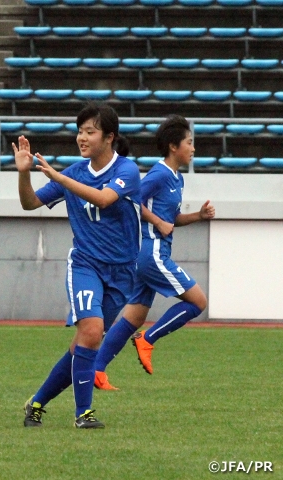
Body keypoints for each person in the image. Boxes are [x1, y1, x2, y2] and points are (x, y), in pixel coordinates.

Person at [15, 103, 141, 429]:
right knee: (91, 330)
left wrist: (58, 177)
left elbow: (103, 199)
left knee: (85, 343)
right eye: (80, 131)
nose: (82, 137)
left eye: (90, 131)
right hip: (85, 264)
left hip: (123, 271)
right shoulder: (73, 172)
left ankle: (37, 402)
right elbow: (29, 203)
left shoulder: (127, 170)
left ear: (109, 137)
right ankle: (83, 415)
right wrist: (24, 173)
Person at [94, 115, 215, 391]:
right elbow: (130, 199)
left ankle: (97, 371)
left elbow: (172, 218)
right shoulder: (159, 174)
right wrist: (157, 222)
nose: (193, 148)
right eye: (189, 142)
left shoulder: (176, 178)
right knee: (198, 302)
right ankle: (148, 339)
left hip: (150, 254)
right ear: (174, 146)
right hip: (152, 254)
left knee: (133, 316)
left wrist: (198, 215)